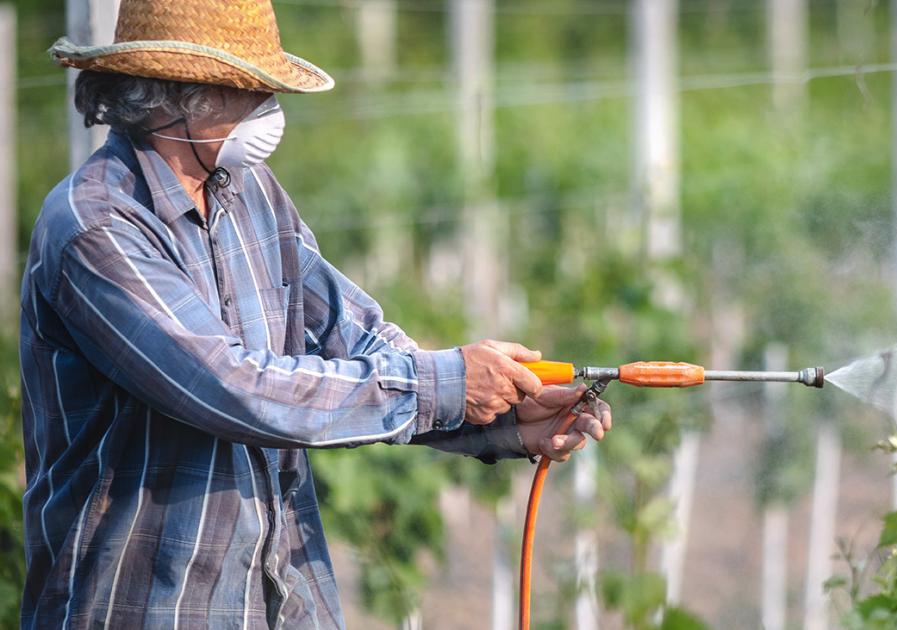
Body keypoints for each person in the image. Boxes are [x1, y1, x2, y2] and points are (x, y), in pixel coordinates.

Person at [19, 0, 611, 627]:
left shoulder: (252, 195)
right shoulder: (97, 226)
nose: (269, 111)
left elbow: (349, 334)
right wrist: (447, 384)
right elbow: (231, 387)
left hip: (284, 599)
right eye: (249, 89)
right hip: (148, 606)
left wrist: (501, 416)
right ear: (176, 94)